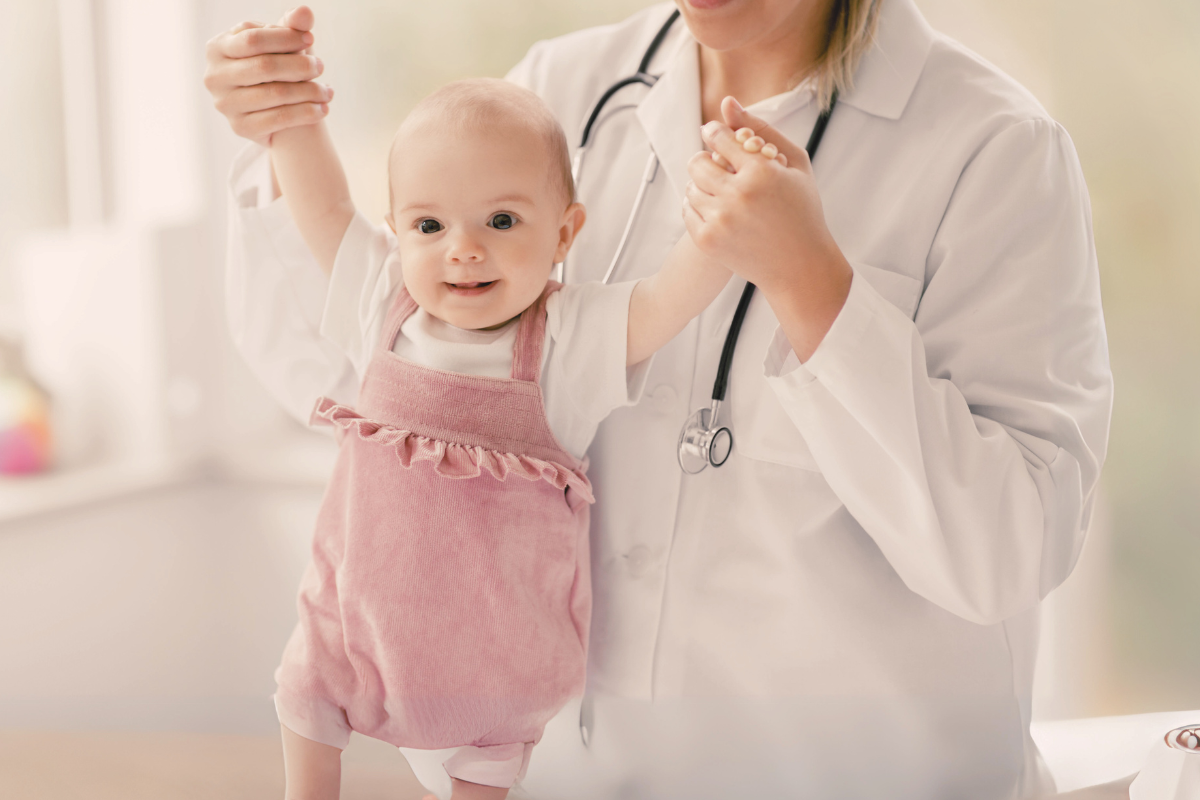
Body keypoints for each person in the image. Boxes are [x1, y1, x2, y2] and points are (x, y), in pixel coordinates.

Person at [203, 1, 1114, 798]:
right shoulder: (559, 91)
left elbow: (1004, 553)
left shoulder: (994, 150)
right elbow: (345, 375)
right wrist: (282, 131)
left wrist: (815, 289)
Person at [263, 75, 741, 799]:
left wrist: (732, 217)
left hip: (490, 651)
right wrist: (294, 113)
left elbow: (667, 299)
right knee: (304, 691)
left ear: (564, 232)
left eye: (502, 222)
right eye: (429, 227)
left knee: (486, 758)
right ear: (396, 230)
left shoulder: (567, 338)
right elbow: (324, 206)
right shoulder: (379, 300)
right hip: (356, 621)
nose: (463, 250)